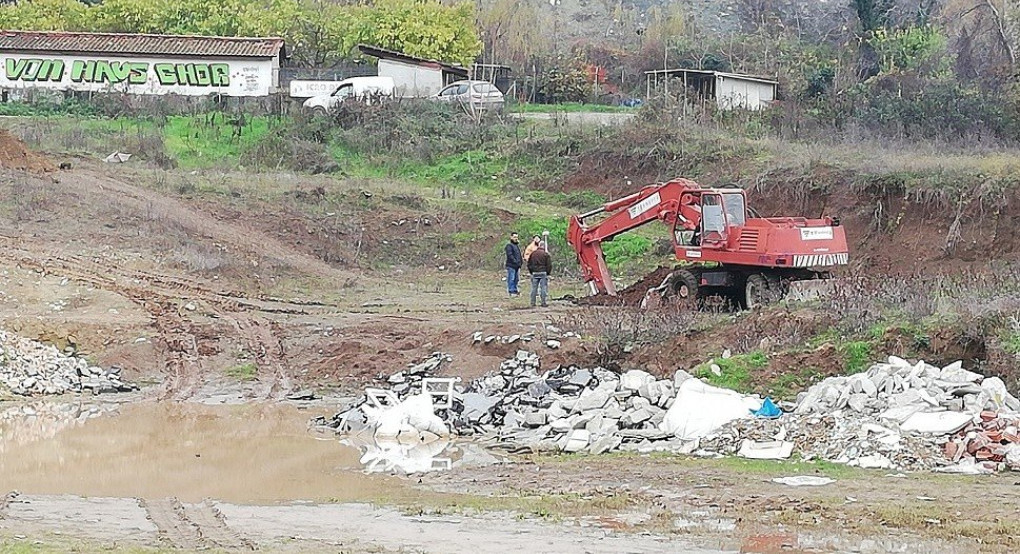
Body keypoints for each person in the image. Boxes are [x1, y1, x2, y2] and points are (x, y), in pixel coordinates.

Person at [504, 232, 523, 296]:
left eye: (517, 237)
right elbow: (510, 255)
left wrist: (520, 262)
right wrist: (515, 261)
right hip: (511, 265)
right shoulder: (509, 246)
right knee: (511, 278)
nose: (516, 238)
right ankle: (511, 291)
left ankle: (515, 290)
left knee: (516, 279)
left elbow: (519, 255)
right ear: (511, 237)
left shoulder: (516, 246)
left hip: (517, 266)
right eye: (514, 237)